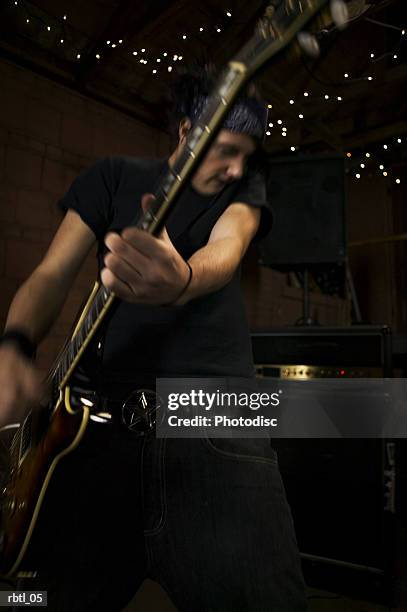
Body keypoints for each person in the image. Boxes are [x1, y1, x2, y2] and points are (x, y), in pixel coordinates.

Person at [0, 68, 306, 611]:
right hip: (89, 433)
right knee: (31, 600)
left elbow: (228, 248)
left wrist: (183, 280)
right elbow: (50, 276)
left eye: (248, 153)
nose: (239, 166)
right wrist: (15, 345)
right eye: (228, 150)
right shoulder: (111, 177)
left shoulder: (244, 189)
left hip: (215, 417)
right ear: (187, 132)